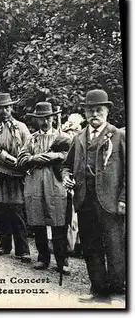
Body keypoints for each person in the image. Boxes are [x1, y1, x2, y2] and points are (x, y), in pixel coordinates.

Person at [62, 90, 125, 303]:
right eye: (90, 110)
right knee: (90, 245)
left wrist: (124, 198)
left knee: (114, 246)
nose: (94, 114)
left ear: (107, 111)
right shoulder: (79, 137)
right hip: (84, 200)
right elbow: (66, 166)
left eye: (98, 110)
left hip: (110, 201)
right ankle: (98, 290)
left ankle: (117, 292)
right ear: (85, 113)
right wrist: (66, 177)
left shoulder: (119, 135)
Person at [17, 102, 70, 274]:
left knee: (58, 220)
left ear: (54, 117)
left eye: (48, 118)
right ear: (36, 120)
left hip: (55, 181)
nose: (45, 122)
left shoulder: (63, 137)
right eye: (41, 119)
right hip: (35, 181)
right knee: (37, 220)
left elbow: (70, 157)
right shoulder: (31, 138)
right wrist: (36, 158)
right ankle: (43, 257)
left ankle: (62, 260)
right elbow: (22, 159)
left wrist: (55, 155)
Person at [0, 93, 32, 262]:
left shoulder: (22, 127)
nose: (4, 111)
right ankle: (4, 245)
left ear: (12, 108)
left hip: (17, 174)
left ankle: (23, 249)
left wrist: (18, 161)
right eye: (1, 108)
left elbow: (28, 149)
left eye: (7, 107)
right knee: (1, 209)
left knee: (17, 211)